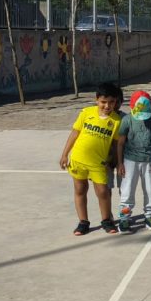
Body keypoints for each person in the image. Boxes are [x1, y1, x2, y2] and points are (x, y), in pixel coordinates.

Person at [60, 82, 124, 236]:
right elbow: (75, 133)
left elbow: (117, 144)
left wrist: (118, 161)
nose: (107, 106)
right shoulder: (86, 112)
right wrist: (64, 154)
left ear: (116, 102)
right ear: (97, 99)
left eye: (111, 102)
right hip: (78, 159)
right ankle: (83, 222)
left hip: (98, 163)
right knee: (80, 190)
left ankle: (106, 220)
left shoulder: (117, 121)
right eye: (103, 102)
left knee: (103, 192)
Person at [115, 91, 151, 232]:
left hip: (150, 160)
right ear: (132, 106)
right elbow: (120, 143)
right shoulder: (127, 120)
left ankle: (150, 216)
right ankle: (124, 218)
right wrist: (120, 163)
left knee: (150, 190)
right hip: (130, 161)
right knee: (127, 191)